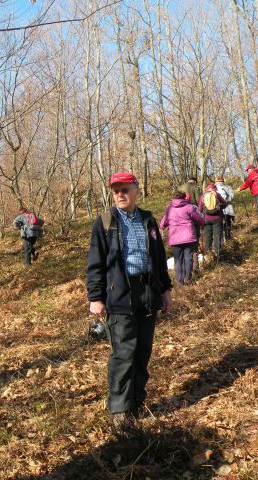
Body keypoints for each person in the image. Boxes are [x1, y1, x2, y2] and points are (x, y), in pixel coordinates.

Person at [86, 172, 172, 426]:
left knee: (142, 352)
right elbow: (95, 263)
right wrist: (95, 296)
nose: (120, 194)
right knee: (123, 353)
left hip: (147, 292)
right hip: (119, 294)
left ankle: (136, 402)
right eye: (116, 191)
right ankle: (120, 411)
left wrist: (165, 290)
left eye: (125, 189)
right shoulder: (104, 222)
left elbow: (158, 258)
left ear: (136, 190)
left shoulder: (148, 220)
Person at [160, 190, 205, 285]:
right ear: (184, 197)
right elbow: (198, 219)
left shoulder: (169, 209)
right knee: (188, 258)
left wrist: (163, 227)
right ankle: (188, 278)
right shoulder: (189, 207)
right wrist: (202, 223)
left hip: (175, 237)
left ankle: (179, 281)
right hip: (189, 236)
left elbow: (162, 223)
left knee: (178, 260)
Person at [199, 183, 227, 260]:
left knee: (208, 236)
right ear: (214, 188)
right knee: (217, 236)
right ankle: (217, 254)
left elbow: (200, 209)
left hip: (206, 219)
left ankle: (208, 254)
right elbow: (225, 204)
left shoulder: (203, 196)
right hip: (217, 218)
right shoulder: (216, 194)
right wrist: (219, 206)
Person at [214, 176, 235, 241]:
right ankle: (228, 238)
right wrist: (226, 199)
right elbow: (232, 196)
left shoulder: (214, 188)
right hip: (228, 208)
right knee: (228, 223)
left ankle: (220, 240)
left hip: (217, 209)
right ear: (223, 181)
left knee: (219, 225)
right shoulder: (228, 187)